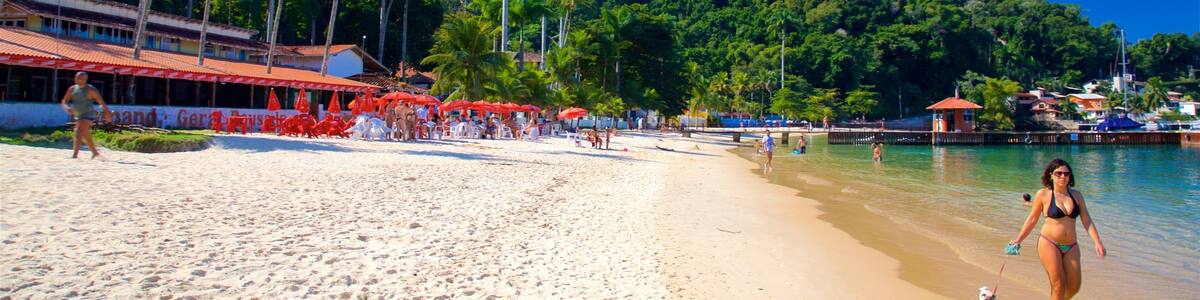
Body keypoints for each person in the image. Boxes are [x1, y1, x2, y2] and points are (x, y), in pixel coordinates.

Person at [1008, 159, 1106, 300]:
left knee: (1074, 287)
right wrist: (1018, 240)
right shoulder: (1043, 194)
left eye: (1066, 174)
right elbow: (1032, 219)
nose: (1062, 176)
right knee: (1058, 285)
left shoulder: (1077, 195)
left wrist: (1097, 241)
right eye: (1058, 173)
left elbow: (1087, 220)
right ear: (1051, 175)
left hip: (1071, 246)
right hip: (1049, 243)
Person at [60, 72, 109, 159]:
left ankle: (75, 155)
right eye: (76, 77)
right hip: (78, 114)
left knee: (78, 131)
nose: (76, 79)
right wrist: (67, 108)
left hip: (88, 113)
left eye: (79, 78)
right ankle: (95, 153)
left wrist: (107, 113)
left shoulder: (90, 89)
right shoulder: (72, 89)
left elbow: (101, 101)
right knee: (85, 133)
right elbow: (64, 100)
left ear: (84, 79)